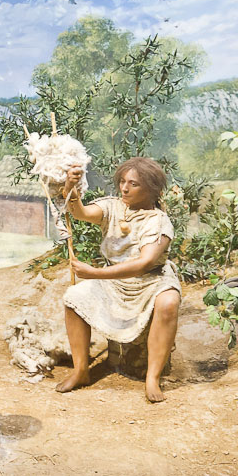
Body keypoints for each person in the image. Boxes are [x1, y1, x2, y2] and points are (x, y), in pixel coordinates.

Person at [53, 157, 181, 402]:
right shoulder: (113, 207)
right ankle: (81, 371)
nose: (124, 188)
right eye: (122, 181)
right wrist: (71, 187)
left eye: (133, 184)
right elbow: (79, 212)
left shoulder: (158, 221)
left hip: (151, 282)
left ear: (151, 189)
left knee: (168, 303)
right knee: (74, 297)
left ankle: (152, 377)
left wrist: (94, 273)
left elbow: (144, 263)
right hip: (115, 282)